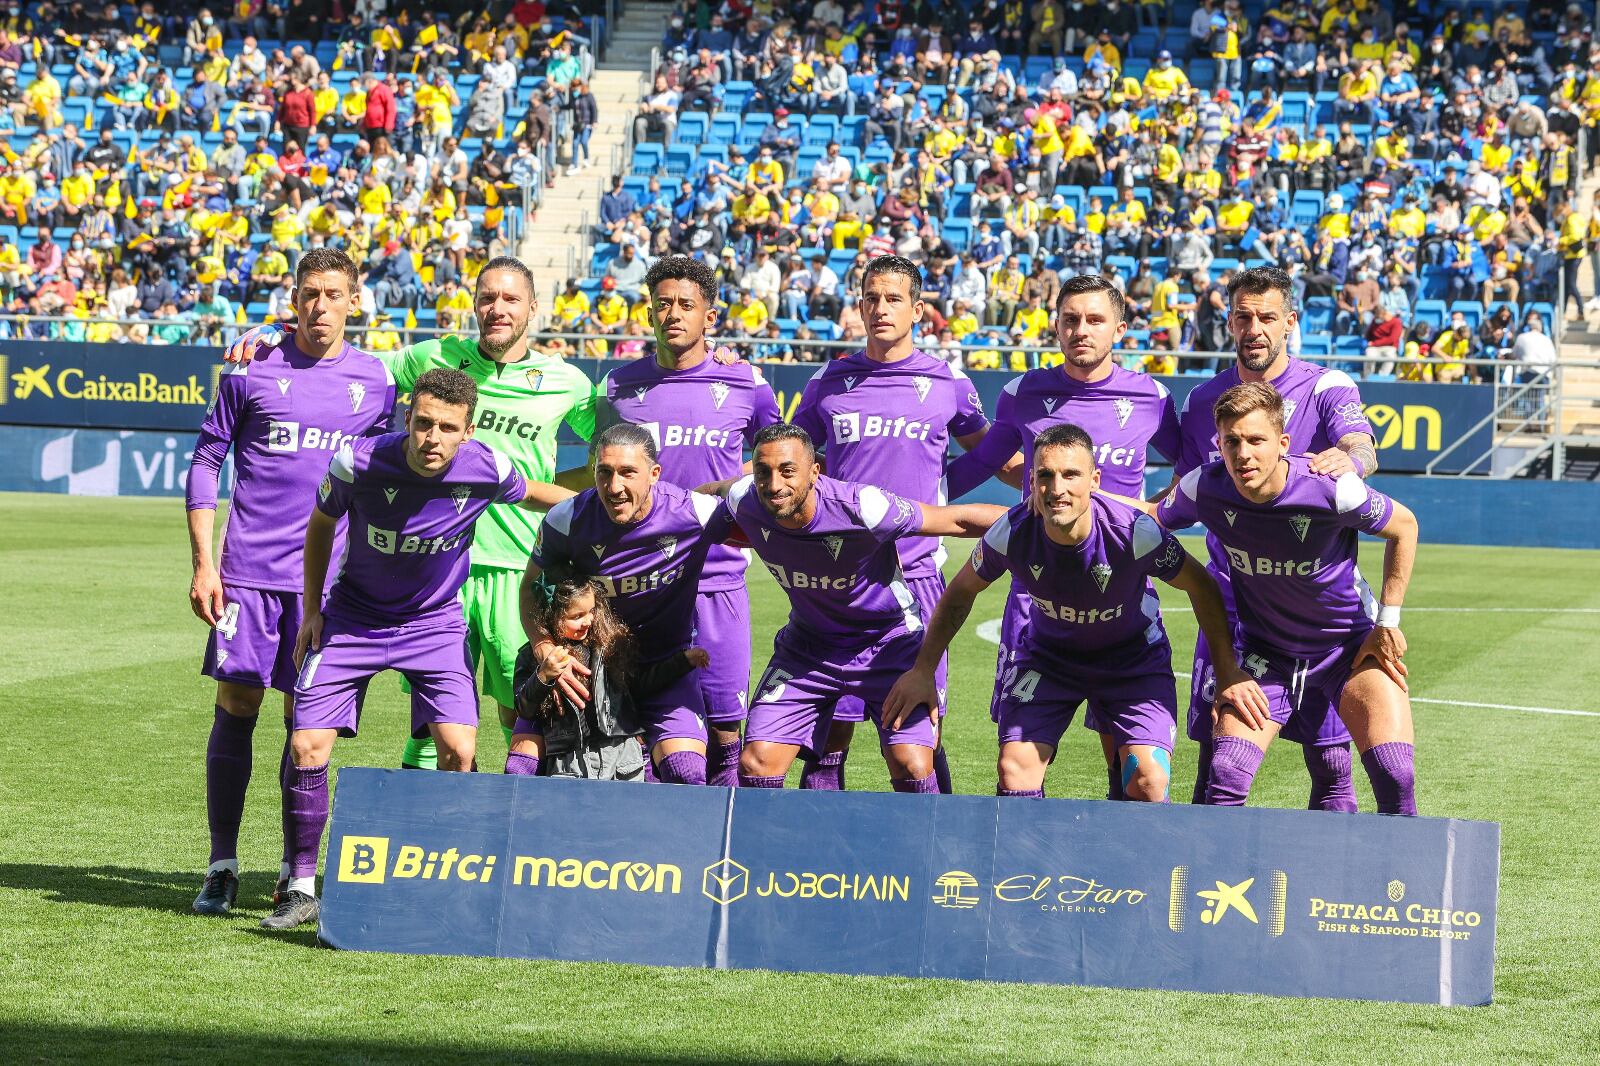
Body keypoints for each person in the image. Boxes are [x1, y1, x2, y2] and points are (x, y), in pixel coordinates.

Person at [223, 258, 598, 773]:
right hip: (433, 579)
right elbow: (342, 358)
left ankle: (515, 838)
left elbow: (613, 451)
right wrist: (279, 332)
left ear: (534, 308)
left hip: (518, 567)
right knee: (430, 725)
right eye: (487, 297)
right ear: (473, 303)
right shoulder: (432, 356)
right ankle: (421, 844)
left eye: (511, 299)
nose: (497, 309)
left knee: (524, 712)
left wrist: (584, 496)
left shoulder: (568, 382)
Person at [268, 368, 571, 930]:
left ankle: (451, 875)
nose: (432, 438)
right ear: (407, 419)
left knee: (458, 748)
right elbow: (319, 525)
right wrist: (312, 610)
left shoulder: (487, 467)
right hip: (353, 620)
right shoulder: (356, 461)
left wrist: (606, 510)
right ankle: (302, 885)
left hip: (434, 625)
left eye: (447, 428)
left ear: (469, 430)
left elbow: (539, 495)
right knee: (307, 744)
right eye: (423, 423)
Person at [885, 424, 1267, 801]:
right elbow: (959, 593)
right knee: (1014, 770)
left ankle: (1128, 859)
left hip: (1132, 661)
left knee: (1148, 779)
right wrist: (921, 671)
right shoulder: (1012, 532)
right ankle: (1030, 865)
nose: (1058, 489)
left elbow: (1200, 584)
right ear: (1032, 480)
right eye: (1047, 476)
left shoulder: (1135, 531)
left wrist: (1228, 670)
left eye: (1071, 475)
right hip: (1048, 660)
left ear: (1094, 480)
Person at [185, 250, 396, 917]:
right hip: (245, 580)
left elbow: (393, 482)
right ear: (293, 298)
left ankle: (299, 878)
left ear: (353, 301)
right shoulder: (250, 369)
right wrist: (202, 563)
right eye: (310, 293)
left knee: (307, 729)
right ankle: (222, 865)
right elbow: (206, 462)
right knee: (236, 709)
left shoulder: (377, 382)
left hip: (330, 589)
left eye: (334, 294)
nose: (321, 306)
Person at [943, 274, 1180, 797]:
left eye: (1095, 320)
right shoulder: (1023, 392)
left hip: (1122, 594)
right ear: (1055, 324)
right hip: (1037, 597)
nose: (1081, 330)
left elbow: (1196, 468)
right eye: (1070, 319)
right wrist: (913, 502)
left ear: (1119, 327)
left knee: (1129, 761)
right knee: (1020, 761)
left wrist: (1161, 510)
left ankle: (1114, 874)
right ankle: (1027, 873)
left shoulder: (1151, 397)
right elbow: (982, 461)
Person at [1151, 382, 1420, 815]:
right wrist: (1082, 499)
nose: (1243, 454)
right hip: (1265, 651)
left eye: (1256, 441)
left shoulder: (1330, 488)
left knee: (1395, 774)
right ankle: (1217, 881)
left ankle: (1405, 882)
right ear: (1218, 444)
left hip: (1345, 649)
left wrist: (1387, 621)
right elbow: (1152, 517)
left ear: (1283, 443)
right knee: (1227, 772)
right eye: (1231, 442)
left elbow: (1404, 527)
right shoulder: (1206, 487)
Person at [789, 255, 1001, 793]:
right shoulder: (828, 380)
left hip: (917, 578)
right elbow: (786, 456)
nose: (881, 309)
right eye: (871, 299)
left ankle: (934, 855)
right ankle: (820, 869)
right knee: (828, 737)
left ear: (918, 309)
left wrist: (945, 490)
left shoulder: (947, 380)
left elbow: (991, 453)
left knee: (915, 739)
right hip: (840, 581)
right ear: (859, 306)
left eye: (893, 299)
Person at [1169, 266, 1379, 811]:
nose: (1254, 327)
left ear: (1289, 322)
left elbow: (1361, 444)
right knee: (1218, 755)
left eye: (1267, 317)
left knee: (1330, 759)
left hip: (1313, 607)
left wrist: (1348, 459)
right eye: (1243, 316)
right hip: (1233, 605)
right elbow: (1184, 494)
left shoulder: (1326, 385)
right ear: (1229, 323)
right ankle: (1197, 879)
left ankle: (1331, 882)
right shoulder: (1201, 402)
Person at [702, 425, 1004, 793]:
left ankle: (926, 846)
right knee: (756, 761)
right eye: (763, 471)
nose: (774, 484)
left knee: (912, 764)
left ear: (815, 472)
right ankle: (772, 850)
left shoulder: (863, 507)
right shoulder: (743, 499)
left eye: (787, 471)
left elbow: (953, 520)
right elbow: (705, 497)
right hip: (808, 647)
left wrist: (1031, 522)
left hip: (889, 645)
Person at [592, 256, 781, 786]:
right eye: (663, 304)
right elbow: (600, 469)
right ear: (649, 311)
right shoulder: (617, 388)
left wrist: (729, 488)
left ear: (710, 316)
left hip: (716, 581)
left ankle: (717, 858)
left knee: (727, 733)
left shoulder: (747, 384)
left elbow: (781, 456)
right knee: (637, 731)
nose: (673, 314)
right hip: (637, 586)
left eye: (686, 305)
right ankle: (654, 858)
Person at [523, 424, 732, 786]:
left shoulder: (694, 512)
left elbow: (760, 520)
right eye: (604, 472)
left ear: (654, 474)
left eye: (627, 473)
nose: (614, 487)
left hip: (664, 665)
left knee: (686, 772)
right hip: (588, 671)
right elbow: (530, 588)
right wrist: (545, 647)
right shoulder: (567, 518)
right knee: (521, 768)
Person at [507, 567, 709, 780]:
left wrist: (683, 662)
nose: (588, 621)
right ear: (551, 616)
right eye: (576, 616)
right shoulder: (532, 656)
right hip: (569, 762)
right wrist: (543, 676)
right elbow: (524, 707)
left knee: (626, 811)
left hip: (623, 755)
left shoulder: (610, 647)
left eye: (592, 611)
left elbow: (640, 685)